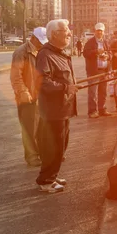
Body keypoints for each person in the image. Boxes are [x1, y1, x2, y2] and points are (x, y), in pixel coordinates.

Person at [35, 19, 78, 194]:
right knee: (53, 147)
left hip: (62, 109)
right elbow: (43, 82)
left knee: (61, 145)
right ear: (54, 34)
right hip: (53, 111)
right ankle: (46, 181)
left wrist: (69, 86)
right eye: (65, 30)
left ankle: (53, 174)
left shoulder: (58, 53)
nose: (69, 33)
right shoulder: (45, 55)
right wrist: (65, 87)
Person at [10, 27, 48, 167]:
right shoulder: (21, 52)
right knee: (29, 129)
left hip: (40, 96)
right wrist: (23, 92)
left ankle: (43, 154)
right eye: (39, 41)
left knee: (41, 128)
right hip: (27, 97)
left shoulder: (41, 50)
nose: (41, 44)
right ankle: (31, 156)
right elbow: (16, 76)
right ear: (33, 38)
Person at [83, 22, 112, 118]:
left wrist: (107, 57)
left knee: (103, 92)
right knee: (93, 92)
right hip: (93, 71)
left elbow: (110, 54)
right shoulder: (90, 42)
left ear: (103, 32)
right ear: (94, 31)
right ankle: (92, 111)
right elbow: (85, 53)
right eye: (98, 31)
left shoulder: (106, 42)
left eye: (101, 31)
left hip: (104, 71)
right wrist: (96, 52)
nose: (99, 33)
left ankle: (102, 109)